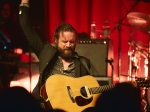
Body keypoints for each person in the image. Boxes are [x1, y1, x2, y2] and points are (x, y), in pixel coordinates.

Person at [19, 0, 91, 111]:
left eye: (71, 42)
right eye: (64, 41)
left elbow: (86, 96)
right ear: (56, 41)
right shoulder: (45, 51)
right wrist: (24, 2)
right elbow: (25, 25)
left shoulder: (83, 63)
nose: (68, 45)